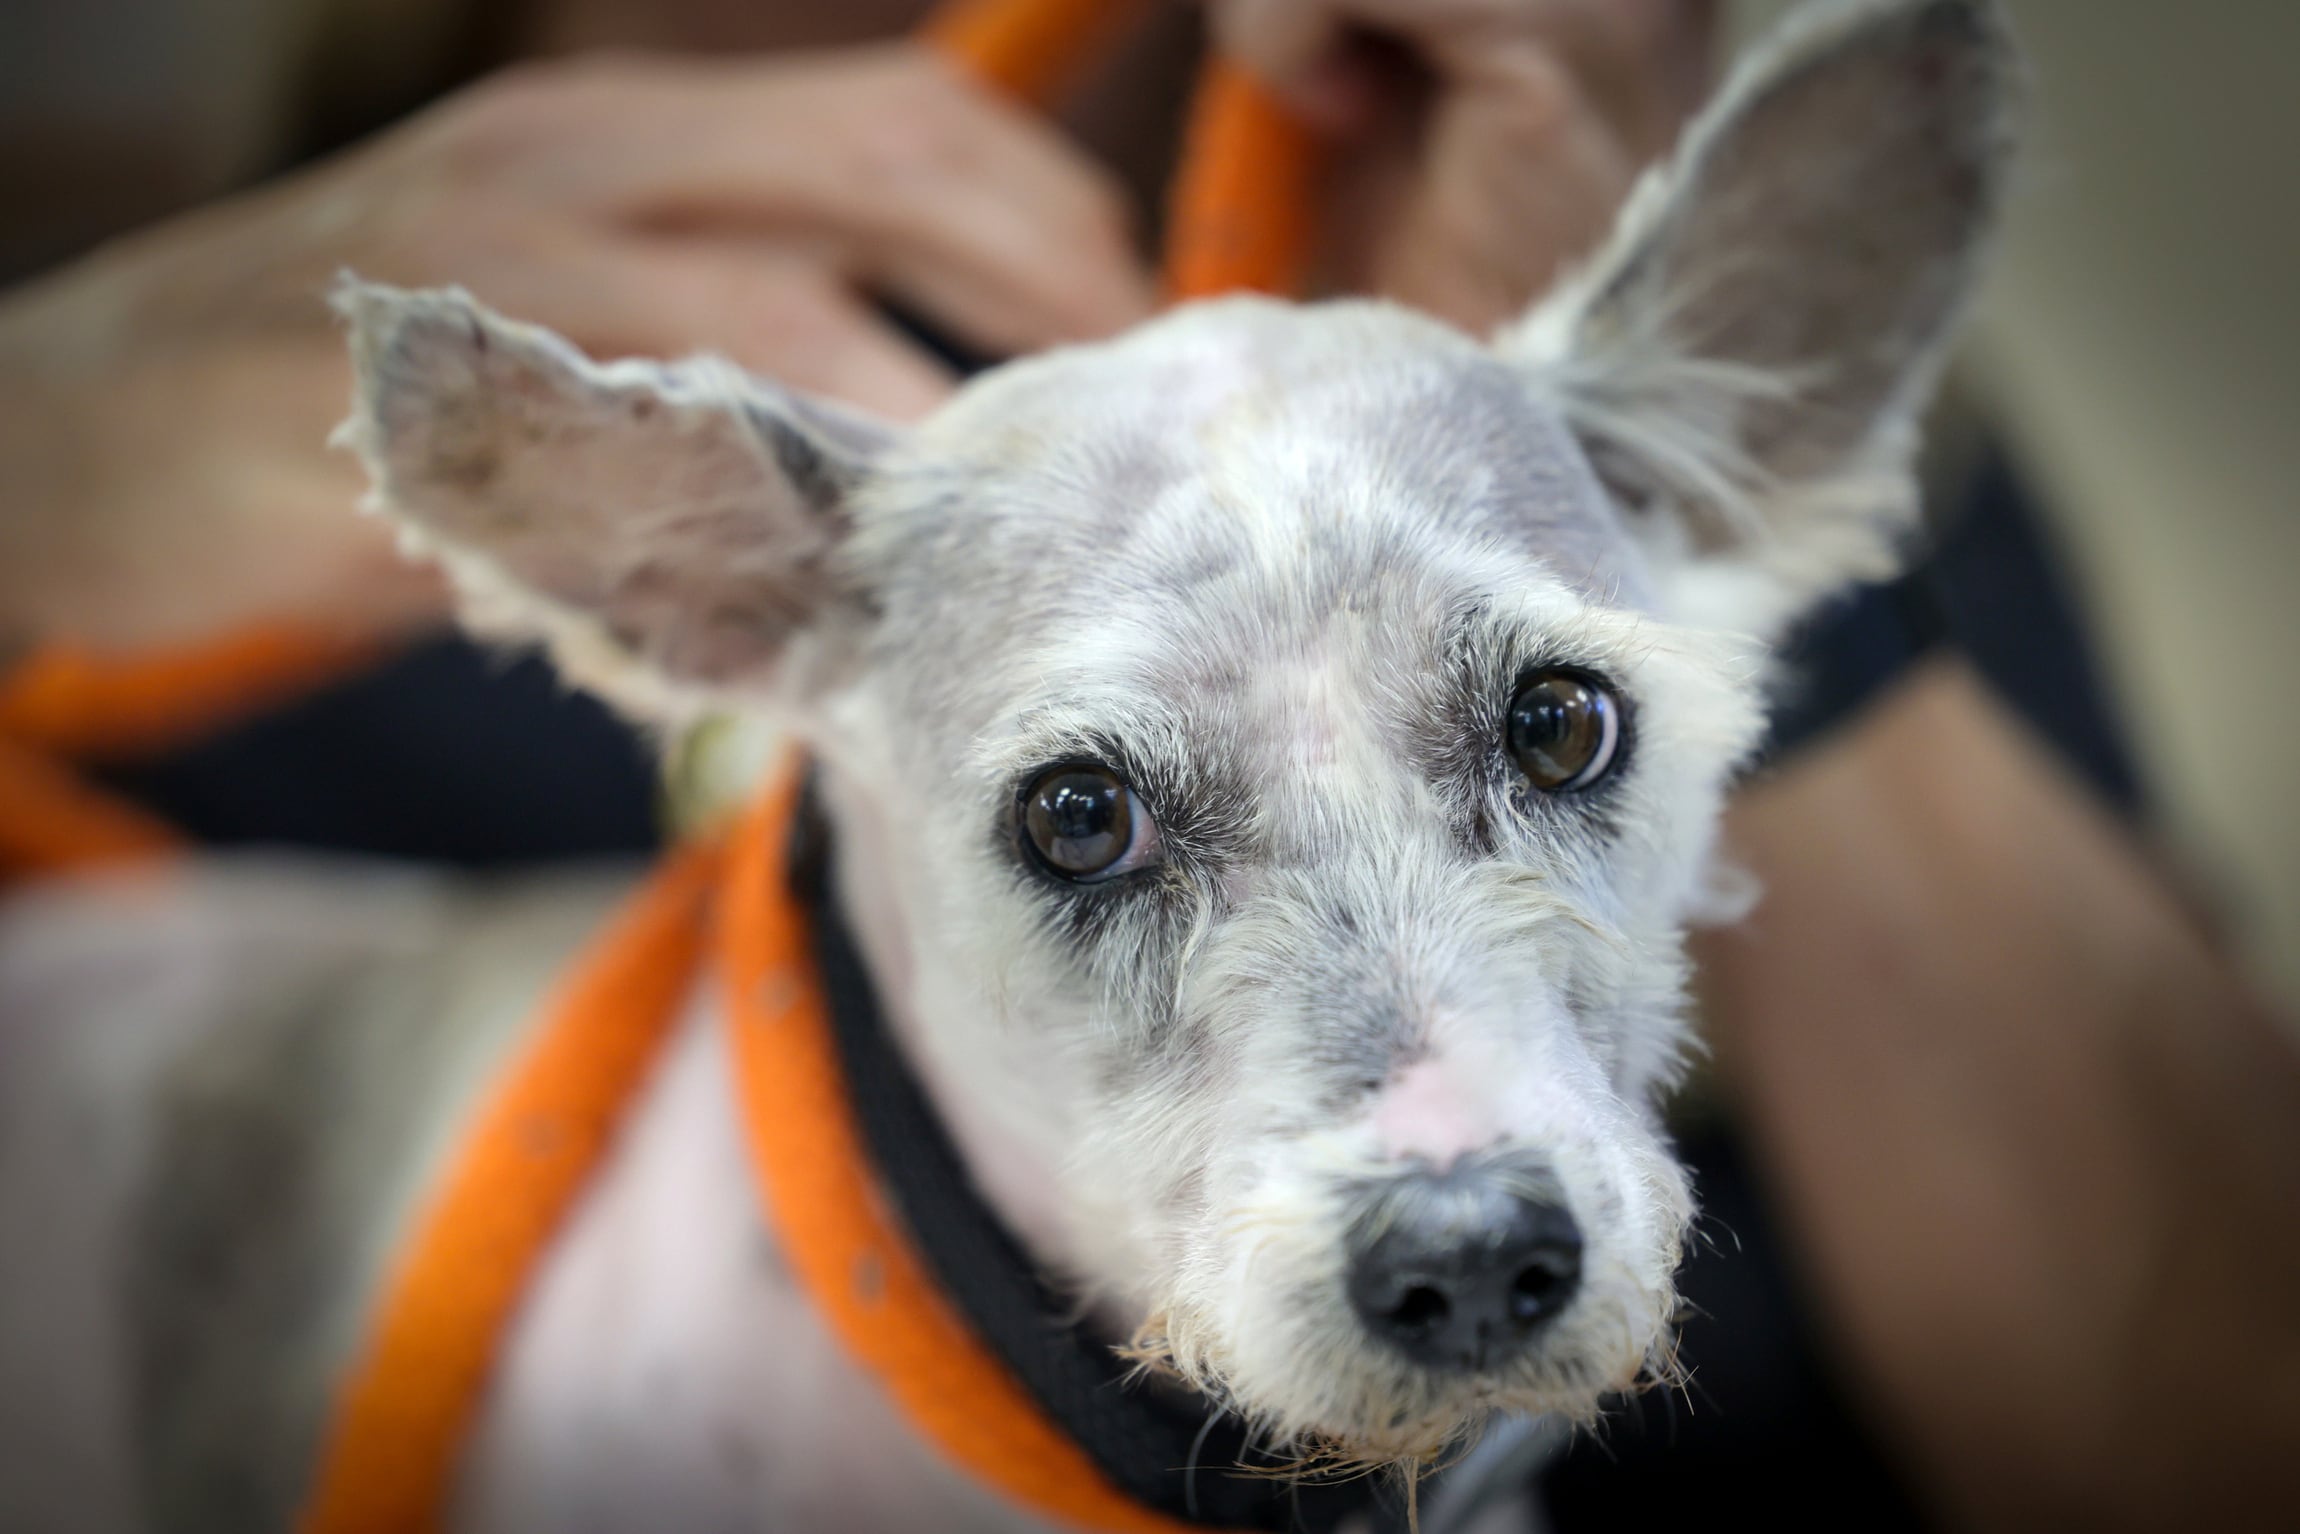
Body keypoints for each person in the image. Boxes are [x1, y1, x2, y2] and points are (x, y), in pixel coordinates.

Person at [0, 1, 2293, 1526]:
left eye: (1552, 724)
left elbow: (2216, 1430)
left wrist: (1715, 534)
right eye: (1089, 819)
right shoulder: (147, 355)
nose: (1454, 1177)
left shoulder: (1522, 208)